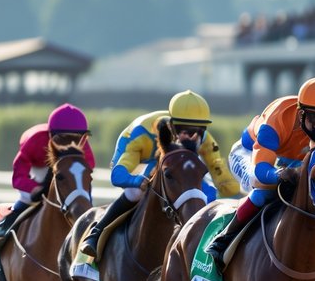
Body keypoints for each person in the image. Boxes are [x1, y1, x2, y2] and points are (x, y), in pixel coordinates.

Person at [204, 74, 315, 265]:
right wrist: (278, 174)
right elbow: (261, 169)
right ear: (301, 113)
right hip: (249, 155)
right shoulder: (276, 119)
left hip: (288, 161)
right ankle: (224, 238)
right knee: (264, 190)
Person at [78, 90, 240, 257]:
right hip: (142, 155)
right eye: (184, 130)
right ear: (172, 126)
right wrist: (137, 181)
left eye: (199, 130)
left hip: (176, 161)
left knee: (207, 191)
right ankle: (96, 233)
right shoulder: (142, 135)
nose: (191, 136)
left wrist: (231, 184)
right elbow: (117, 176)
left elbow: (224, 180)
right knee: (135, 192)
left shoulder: (204, 139)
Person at [0, 103, 95, 248]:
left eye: (76, 138)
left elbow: (88, 168)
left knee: (81, 191)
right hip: (40, 168)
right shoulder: (35, 140)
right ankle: (5, 226)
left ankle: (93, 234)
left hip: (66, 170)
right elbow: (18, 176)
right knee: (27, 197)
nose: (70, 144)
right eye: (63, 138)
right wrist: (33, 188)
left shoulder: (83, 145)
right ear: (51, 134)